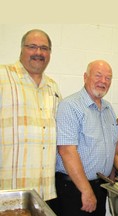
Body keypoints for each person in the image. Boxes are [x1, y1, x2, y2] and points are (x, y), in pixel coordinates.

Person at [0, 29, 61, 202]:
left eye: (44, 48)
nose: (39, 53)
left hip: (44, 192)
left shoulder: (53, 87)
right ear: (21, 49)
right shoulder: (3, 76)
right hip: (8, 192)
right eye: (32, 47)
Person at [55, 60, 118, 216]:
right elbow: (66, 151)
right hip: (75, 189)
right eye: (98, 75)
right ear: (85, 77)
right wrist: (86, 190)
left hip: (100, 187)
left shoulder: (109, 108)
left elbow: (110, 146)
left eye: (108, 78)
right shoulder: (70, 106)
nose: (103, 81)